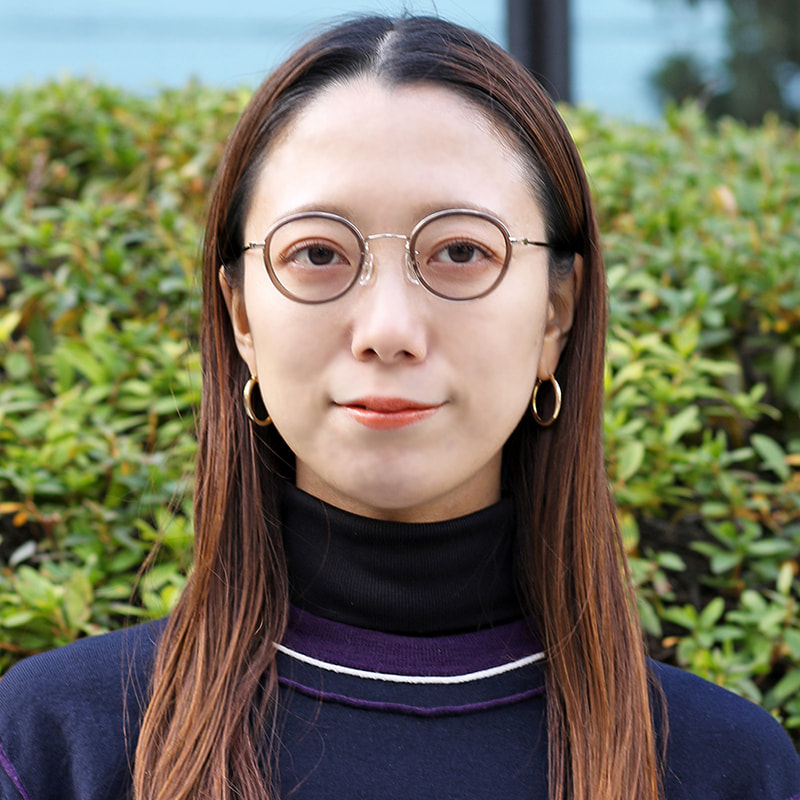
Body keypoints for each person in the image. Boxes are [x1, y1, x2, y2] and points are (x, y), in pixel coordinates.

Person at [0, 14, 798, 800]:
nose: (388, 330)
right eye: (317, 253)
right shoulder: (52, 747)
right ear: (241, 315)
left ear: (556, 313)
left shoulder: (726, 771)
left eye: (461, 251)